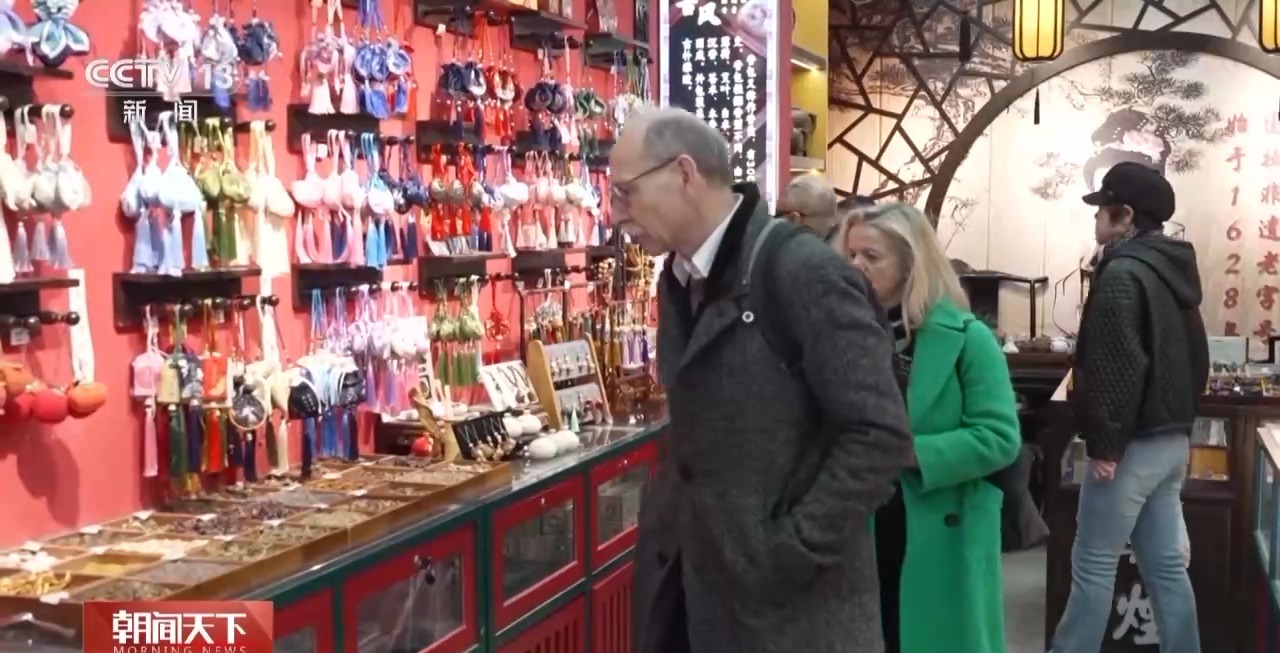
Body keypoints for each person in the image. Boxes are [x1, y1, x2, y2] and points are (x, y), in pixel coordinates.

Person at [614, 107, 913, 653]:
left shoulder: (802, 273)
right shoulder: (679, 278)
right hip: (696, 596)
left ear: (684, 173)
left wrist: (788, 552)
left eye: (625, 192)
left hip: (794, 616)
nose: (616, 213)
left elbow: (880, 433)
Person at [832, 203, 1021, 653]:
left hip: (941, 526)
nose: (856, 266)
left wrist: (909, 452)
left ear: (910, 263)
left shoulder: (968, 338)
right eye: (850, 255)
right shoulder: (836, 336)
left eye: (872, 256)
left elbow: (1000, 438)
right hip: (855, 523)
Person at [1050, 161, 1207, 653]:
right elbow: (1198, 359)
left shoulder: (1121, 273)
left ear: (1126, 216)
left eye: (1103, 209)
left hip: (1130, 449)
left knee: (1094, 564)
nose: (1096, 218)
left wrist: (1104, 443)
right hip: (1171, 443)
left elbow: (1114, 366)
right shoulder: (1173, 270)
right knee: (1166, 568)